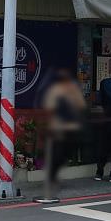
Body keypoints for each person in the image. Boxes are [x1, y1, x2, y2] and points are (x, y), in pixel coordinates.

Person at [36, 68, 86, 204]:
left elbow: (80, 106)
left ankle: (53, 176)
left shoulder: (64, 90)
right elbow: (79, 106)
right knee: (59, 154)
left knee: (62, 153)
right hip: (62, 127)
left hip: (66, 127)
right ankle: (52, 177)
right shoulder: (62, 90)